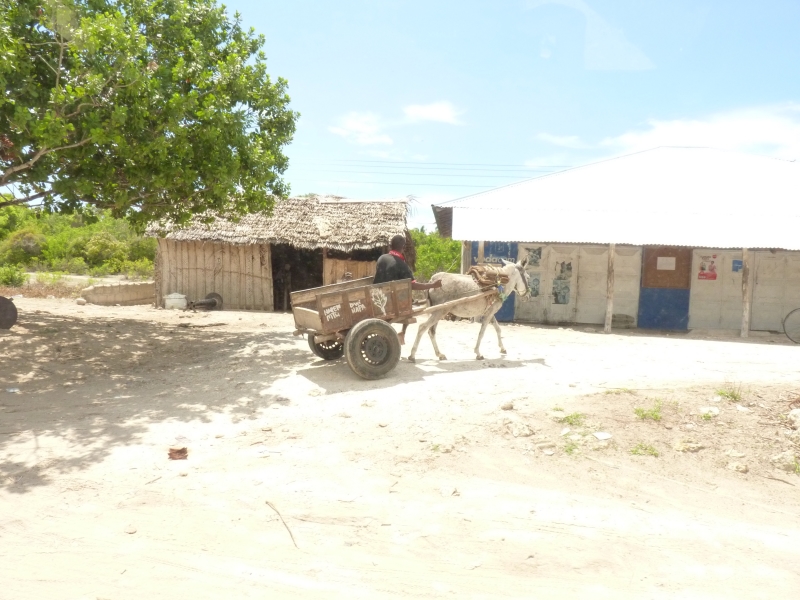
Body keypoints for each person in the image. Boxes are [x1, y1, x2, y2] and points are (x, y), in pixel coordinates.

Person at [373, 234, 442, 344]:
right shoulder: (402, 265)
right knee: (409, 304)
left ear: (390, 246)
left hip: (375, 296)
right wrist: (433, 285)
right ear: (403, 247)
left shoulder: (382, 258)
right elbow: (413, 286)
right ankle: (403, 333)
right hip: (389, 301)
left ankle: (401, 333)